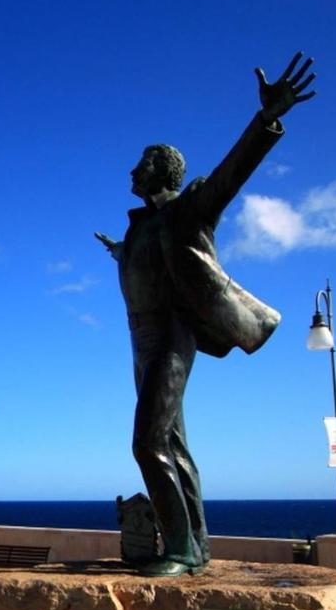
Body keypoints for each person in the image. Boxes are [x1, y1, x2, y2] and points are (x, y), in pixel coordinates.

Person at [94, 53, 317, 577]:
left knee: (147, 443)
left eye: (141, 163)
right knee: (173, 444)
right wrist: (120, 254)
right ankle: (198, 544)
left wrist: (265, 121)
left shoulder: (187, 206)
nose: (131, 170)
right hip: (140, 340)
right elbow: (146, 263)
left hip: (172, 335)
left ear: (162, 170)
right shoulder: (138, 229)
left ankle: (179, 549)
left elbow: (228, 177)